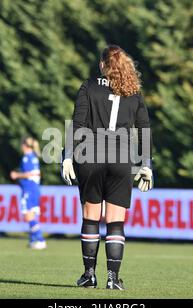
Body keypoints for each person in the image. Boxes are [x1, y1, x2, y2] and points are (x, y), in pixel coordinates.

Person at [61, 45, 153, 290]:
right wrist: (147, 165)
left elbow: (78, 123)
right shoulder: (134, 91)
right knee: (115, 222)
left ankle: (89, 275)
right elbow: (144, 129)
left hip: (91, 155)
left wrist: (68, 156)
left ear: (102, 64)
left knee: (91, 218)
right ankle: (113, 279)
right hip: (122, 160)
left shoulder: (89, 86)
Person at [10, 137, 47, 250]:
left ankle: (40, 240)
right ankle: (33, 240)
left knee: (28, 216)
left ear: (24, 146)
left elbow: (29, 174)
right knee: (32, 215)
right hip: (34, 189)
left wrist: (16, 175)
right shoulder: (34, 157)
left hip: (29, 189)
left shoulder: (27, 158)